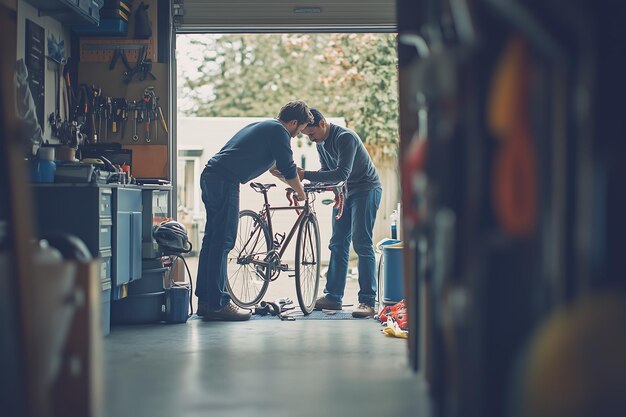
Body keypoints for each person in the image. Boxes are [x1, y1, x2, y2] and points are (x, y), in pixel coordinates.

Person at [196, 101, 312, 321]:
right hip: (224, 180)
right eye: (299, 130)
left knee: (212, 240)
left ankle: (206, 302)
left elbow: (275, 168)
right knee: (223, 241)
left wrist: (292, 184)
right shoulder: (279, 132)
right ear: (294, 122)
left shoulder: (267, 127)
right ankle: (219, 304)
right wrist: (301, 193)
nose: (297, 135)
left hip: (212, 176)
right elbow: (287, 167)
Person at [293, 108, 382, 318]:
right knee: (338, 243)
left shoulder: (345, 138)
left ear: (322, 124)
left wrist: (304, 174)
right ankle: (333, 296)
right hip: (345, 191)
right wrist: (302, 185)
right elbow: (326, 174)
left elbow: (342, 173)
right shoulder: (321, 144)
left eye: (312, 134)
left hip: (366, 189)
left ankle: (367, 301)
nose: (311, 139)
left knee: (361, 242)